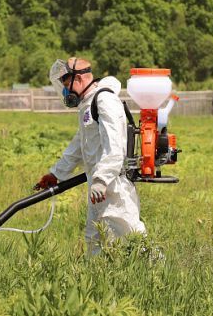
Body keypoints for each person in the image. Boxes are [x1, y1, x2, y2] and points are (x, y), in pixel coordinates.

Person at [35, 57, 146, 255]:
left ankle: (158, 276)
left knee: (133, 240)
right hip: (98, 189)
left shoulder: (104, 100)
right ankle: (98, 281)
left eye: (66, 84)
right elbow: (80, 145)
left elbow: (115, 146)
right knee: (96, 242)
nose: (65, 90)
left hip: (114, 188)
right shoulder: (88, 105)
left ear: (78, 79)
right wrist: (56, 174)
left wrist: (102, 179)